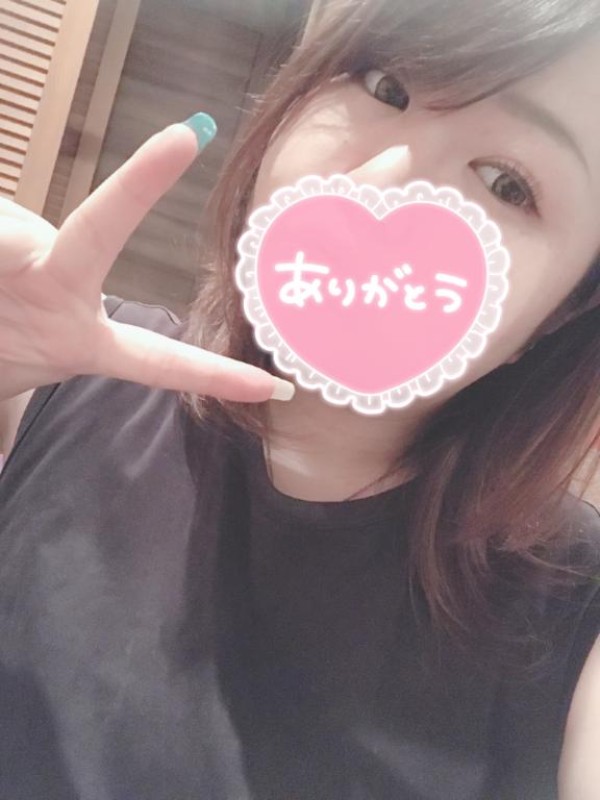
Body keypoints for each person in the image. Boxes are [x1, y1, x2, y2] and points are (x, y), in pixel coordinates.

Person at [1, 0, 599, 798]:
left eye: (506, 184)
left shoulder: (577, 619)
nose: (376, 186)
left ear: (561, 314)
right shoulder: (48, 376)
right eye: (385, 87)